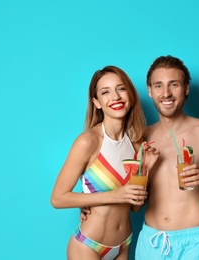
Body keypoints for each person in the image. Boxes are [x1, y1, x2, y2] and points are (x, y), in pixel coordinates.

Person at [133, 55, 199, 259]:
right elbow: (133, 206)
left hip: (195, 245)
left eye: (173, 84)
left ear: (186, 88)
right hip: (151, 242)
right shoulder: (141, 139)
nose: (166, 93)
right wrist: (92, 208)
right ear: (150, 91)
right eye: (158, 86)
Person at [51, 66, 159, 260]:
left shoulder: (136, 145)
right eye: (105, 92)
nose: (115, 97)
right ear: (97, 102)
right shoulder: (88, 141)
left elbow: (134, 207)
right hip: (88, 246)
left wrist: (146, 169)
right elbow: (58, 198)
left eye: (121, 88)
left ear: (131, 95)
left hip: (123, 244)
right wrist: (114, 195)